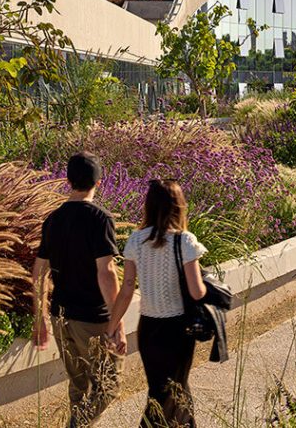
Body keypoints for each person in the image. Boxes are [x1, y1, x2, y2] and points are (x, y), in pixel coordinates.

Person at [105, 180, 207, 428]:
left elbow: (127, 288)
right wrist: (208, 284)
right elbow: (196, 292)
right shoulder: (185, 241)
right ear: (179, 206)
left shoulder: (136, 240)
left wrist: (112, 326)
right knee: (177, 387)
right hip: (179, 328)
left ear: (148, 207)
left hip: (149, 328)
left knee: (159, 389)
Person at [32, 152, 123, 428]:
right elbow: (106, 272)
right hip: (92, 319)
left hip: (62, 318)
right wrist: (116, 322)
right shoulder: (100, 218)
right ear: (98, 181)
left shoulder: (53, 219)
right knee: (108, 385)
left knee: (79, 386)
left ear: (69, 180)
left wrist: (41, 319)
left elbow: (38, 274)